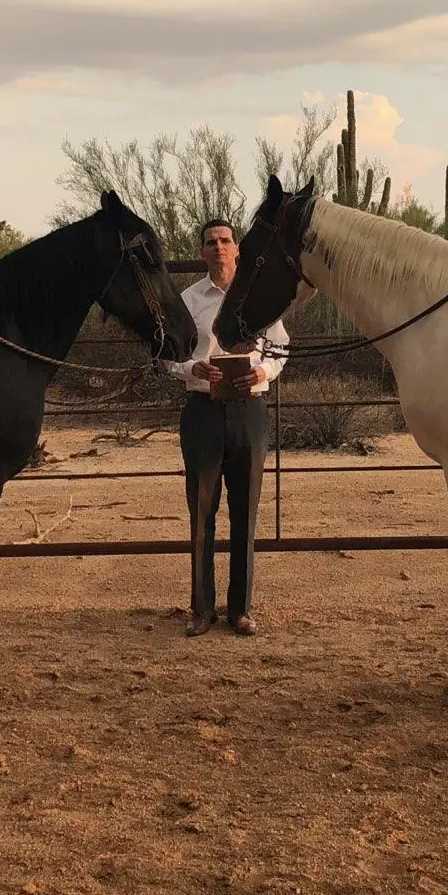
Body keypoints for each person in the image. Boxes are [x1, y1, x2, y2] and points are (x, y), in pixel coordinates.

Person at [160, 219, 288, 637]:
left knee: (245, 512)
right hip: (202, 410)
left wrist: (263, 372)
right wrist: (189, 367)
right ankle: (201, 610)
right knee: (201, 512)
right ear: (202, 252)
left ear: (237, 249)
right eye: (211, 242)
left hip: (248, 411)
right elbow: (165, 356)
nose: (219, 247)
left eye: (226, 240)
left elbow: (281, 348)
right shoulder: (187, 300)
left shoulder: (257, 295)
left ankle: (241, 610)